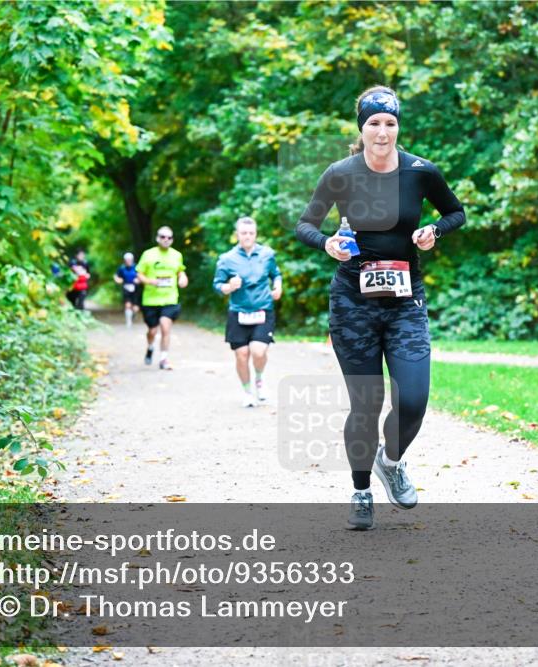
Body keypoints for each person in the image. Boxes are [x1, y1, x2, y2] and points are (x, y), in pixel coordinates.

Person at [295, 86, 465, 530]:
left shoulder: (421, 172)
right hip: (353, 303)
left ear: (398, 126)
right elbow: (305, 224)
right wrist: (328, 243)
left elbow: (455, 212)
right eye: (374, 123)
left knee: (413, 399)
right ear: (362, 127)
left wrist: (434, 231)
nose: (383, 131)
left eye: (390, 123)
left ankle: (390, 461)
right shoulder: (340, 173)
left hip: (406, 302)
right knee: (366, 404)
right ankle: (361, 491)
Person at [213, 217, 282, 407]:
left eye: (251, 233)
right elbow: (217, 285)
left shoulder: (267, 254)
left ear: (256, 234)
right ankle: (247, 392)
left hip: (263, 309)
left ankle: (259, 380)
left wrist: (278, 287)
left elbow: (276, 274)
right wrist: (228, 286)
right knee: (241, 354)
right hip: (238, 312)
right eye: (244, 233)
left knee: (258, 351)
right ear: (237, 235)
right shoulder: (226, 259)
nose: (248, 236)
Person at [137, 226, 188, 370]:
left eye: (169, 237)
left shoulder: (177, 255)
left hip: (170, 298)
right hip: (151, 300)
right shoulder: (148, 255)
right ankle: (150, 346)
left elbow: (180, 272)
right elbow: (139, 274)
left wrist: (183, 279)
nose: (166, 240)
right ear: (157, 238)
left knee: (165, 326)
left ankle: (164, 359)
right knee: (152, 331)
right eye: (163, 237)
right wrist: (150, 281)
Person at [114, 252, 141, 328]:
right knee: (127, 305)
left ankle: (133, 316)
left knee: (135, 308)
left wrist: (138, 280)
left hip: (135, 288)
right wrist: (118, 280)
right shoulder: (121, 268)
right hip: (126, 288)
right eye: (127, 260)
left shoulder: (137, 267)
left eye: (130, 260)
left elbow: (142, 275)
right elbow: (116, 276)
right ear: (125, 260)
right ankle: (128, 322)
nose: (128, 261)